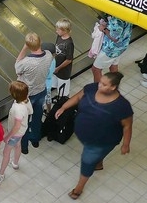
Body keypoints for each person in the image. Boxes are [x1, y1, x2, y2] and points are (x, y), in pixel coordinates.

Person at [55, 72, 133, 200]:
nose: (99, 85)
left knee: (87, 162)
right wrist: (63, 107)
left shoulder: (121, 106)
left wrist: (126, 144)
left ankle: (78, 189)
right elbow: (79, 97)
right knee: (95, 159)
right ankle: (99, 163)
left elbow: (127, 126)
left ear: (113, 87)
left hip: (101, 141)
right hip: (87, 136)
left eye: (103, 84)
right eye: (100, 82)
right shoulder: (92, 88)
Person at [14, 32, 52, 154]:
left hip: (27, 95)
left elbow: (17, 67)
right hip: (41, 90)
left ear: (28, 46)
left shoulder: (26, 62)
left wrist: (24, 48)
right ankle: (35, 139)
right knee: (37, 116)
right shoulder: (49, 55)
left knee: (24, 120)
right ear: (40, 42)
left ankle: (24, 147)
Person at [0, 81, 32, 187]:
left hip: (15, 133)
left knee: (6, 153)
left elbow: (17, 126)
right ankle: (15, 163)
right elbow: (30, 112)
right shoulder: (26, 100)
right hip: (22, 131)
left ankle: (1, 174)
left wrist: (7, 137)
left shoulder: (18, 108)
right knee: (18, 145)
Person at [91, 15, 132, 83]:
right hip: (121, 47)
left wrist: (103, 29)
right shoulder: (127, 15)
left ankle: (98, 90)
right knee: (113, 66)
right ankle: (114, 86)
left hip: (110, 49)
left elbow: (115, 38)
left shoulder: (117, 20)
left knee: (96, 69)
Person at [53, 18, 74, 97]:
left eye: (58, 30)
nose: (56, 31)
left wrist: (58, 68)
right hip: (56, 67)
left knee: (63, 92)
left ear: (65, 31)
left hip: (63, 72)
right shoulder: (59, 37)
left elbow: (69, 60)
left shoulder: (69, 44)